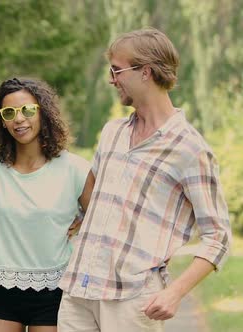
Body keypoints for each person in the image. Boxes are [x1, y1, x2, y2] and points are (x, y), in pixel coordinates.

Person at [57, 27, 232, 332]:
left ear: (145, 72)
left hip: (133, 300)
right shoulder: (113, 132)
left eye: (117, 70)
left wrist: (175, 292)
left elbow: (219, 236)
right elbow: (91, 202)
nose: (112, 79)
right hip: (80, 290)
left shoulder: (189, 149)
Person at [0, 77, 91, 332]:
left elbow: (103, 223)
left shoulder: (75, 168)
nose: (19, 119)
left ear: (42, 112)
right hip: (1, 290)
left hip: (54, 292)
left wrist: (83, 219)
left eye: (28, 110)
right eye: (9, 113)